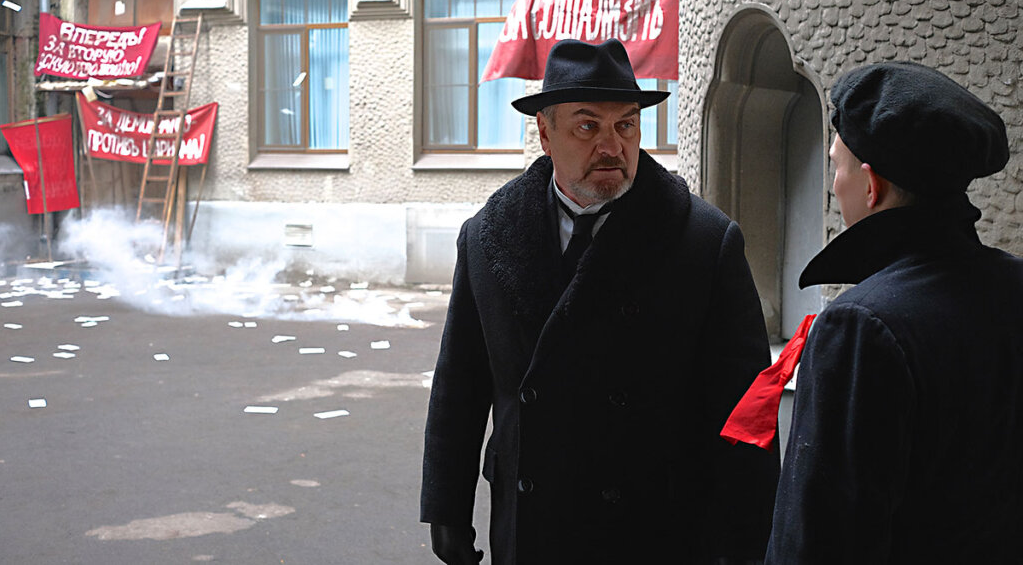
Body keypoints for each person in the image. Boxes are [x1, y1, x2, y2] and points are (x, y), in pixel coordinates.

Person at [421, 38, 779, 565]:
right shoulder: (487, 237)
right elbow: (461, 381)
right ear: (545, 132)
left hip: (655, 529)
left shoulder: (704, 242)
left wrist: (744, 541)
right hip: (529, 525)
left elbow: (746, 410)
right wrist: (447, 507)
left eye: (626, 125)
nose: (612, 146)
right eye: (587, 126)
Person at [766, 61, 1023, 563]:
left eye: (836, 166)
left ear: (870, 185)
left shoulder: (861, 326)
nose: (833, 184)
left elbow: (820, 540)